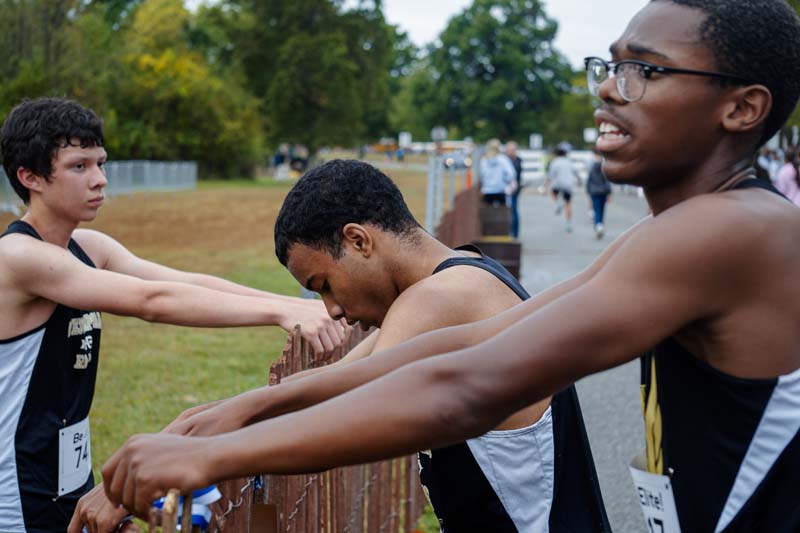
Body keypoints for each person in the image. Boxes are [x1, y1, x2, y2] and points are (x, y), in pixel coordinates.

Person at [103, 1, 800, 532]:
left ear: (743, 107)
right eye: (609, 66)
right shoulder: (683, 230)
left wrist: (220, 453)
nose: (609, 90)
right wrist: (244, 407)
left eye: (643, 71)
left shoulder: (732, 230)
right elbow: (471, 342)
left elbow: (467, 385)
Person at [80, 159, 609, 532]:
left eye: (323, 284)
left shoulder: (443, 298)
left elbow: (348, 411)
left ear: (358, 240)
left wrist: (193, 455)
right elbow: (325, 386)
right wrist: (191, 424)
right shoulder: (458, 280)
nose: (330, 310)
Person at [0, 97, 348, 533]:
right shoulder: (19, 257)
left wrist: (299, 306)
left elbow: (187, 282)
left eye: (101, 163)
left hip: (66, 473)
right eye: (79, 167)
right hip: (15, 491)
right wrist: (279, 310)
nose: (100, 180)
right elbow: (154, 301)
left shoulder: (89, 248)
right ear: (29, 177)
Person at [545, 144, 578, 232]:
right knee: (568, 204)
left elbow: (550, 176)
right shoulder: (569, 162)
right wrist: (579, 181)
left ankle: (558, 203)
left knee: (552, 191)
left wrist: (545, 185)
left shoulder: (555, 162)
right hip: (568, 185)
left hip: (558, 184)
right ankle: (568, 224)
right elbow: (575, 172)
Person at [478, 139, 515, 206]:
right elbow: (511, 174)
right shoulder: (503, 159)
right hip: (500, 190)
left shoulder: (484, 160)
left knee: (488, 214)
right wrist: (505, 181)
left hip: (487, 191)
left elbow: (481, 175)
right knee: (502, 213)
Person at [586, 150, 613, 238]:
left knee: (596, 208)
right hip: (603, 191)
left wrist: (588, 191)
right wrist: (609, 192)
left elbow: (589, 180)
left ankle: (598, 225)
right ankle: (600, 224)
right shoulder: (604, 167)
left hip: (594, 191)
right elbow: (607, 180)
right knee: (602, 209)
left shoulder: (592, 167)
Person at [506, 141, 524, 238]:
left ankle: (514, 233)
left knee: (513, 211)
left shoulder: (516, 162)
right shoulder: (509, 160)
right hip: (510, 189)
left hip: (513, 190)